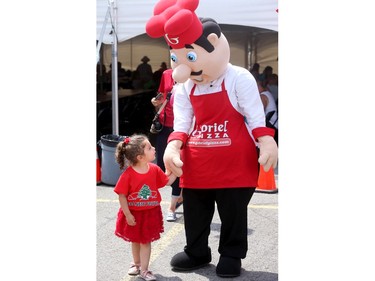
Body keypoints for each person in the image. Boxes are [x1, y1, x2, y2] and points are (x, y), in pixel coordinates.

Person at [146, 0, 278, 278]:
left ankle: (231, 254)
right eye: (176, 59)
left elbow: (256, 117)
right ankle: (197, 251)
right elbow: (182, 123)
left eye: (190, 58)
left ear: (215, 43)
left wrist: (266, 141)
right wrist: (173, 146)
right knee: (195, 211)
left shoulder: (237, 78)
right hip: (197, 165)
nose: (182, 69)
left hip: (235, 163)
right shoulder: (185, 87)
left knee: (232, 213)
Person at [113, 134, 176, 281]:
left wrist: (175, 172)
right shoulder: (128, 174)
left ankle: (145, 270)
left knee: (145, 241)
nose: (154, 148)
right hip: (133, 213)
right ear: (140, 157)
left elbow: (166, 181)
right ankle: (136, 264)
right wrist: (128, 215)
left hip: (150, 214)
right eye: (149, 147)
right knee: (135, 240)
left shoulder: (154, 169)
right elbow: (122, 195)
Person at [150, 68, 183, 222]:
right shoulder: (166, 74)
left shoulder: (194, 72)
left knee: (176, 166)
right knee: (164, 166)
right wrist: (156, 102)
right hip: (164, 125)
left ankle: (172, 206)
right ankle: (179, 196)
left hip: (182, 128)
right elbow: (162, 96)